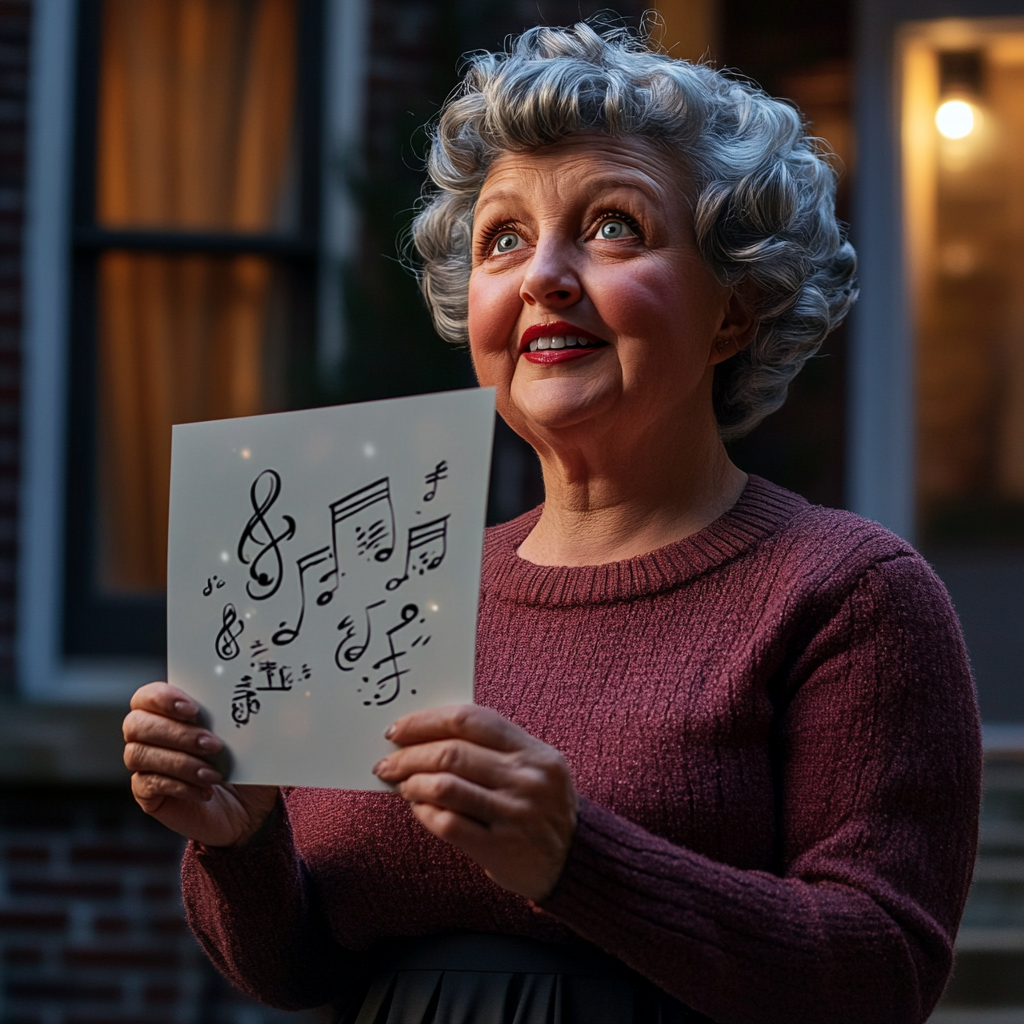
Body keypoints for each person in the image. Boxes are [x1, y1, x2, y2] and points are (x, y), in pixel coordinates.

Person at [122, 21, 982, 1024]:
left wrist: (577, 858)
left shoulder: (847, 592)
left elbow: (881, 977)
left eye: (613, 226)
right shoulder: (377, 575)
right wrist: (240, 844)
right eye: (503, 239)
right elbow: (298, 973)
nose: (542, 275)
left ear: (734, 309)